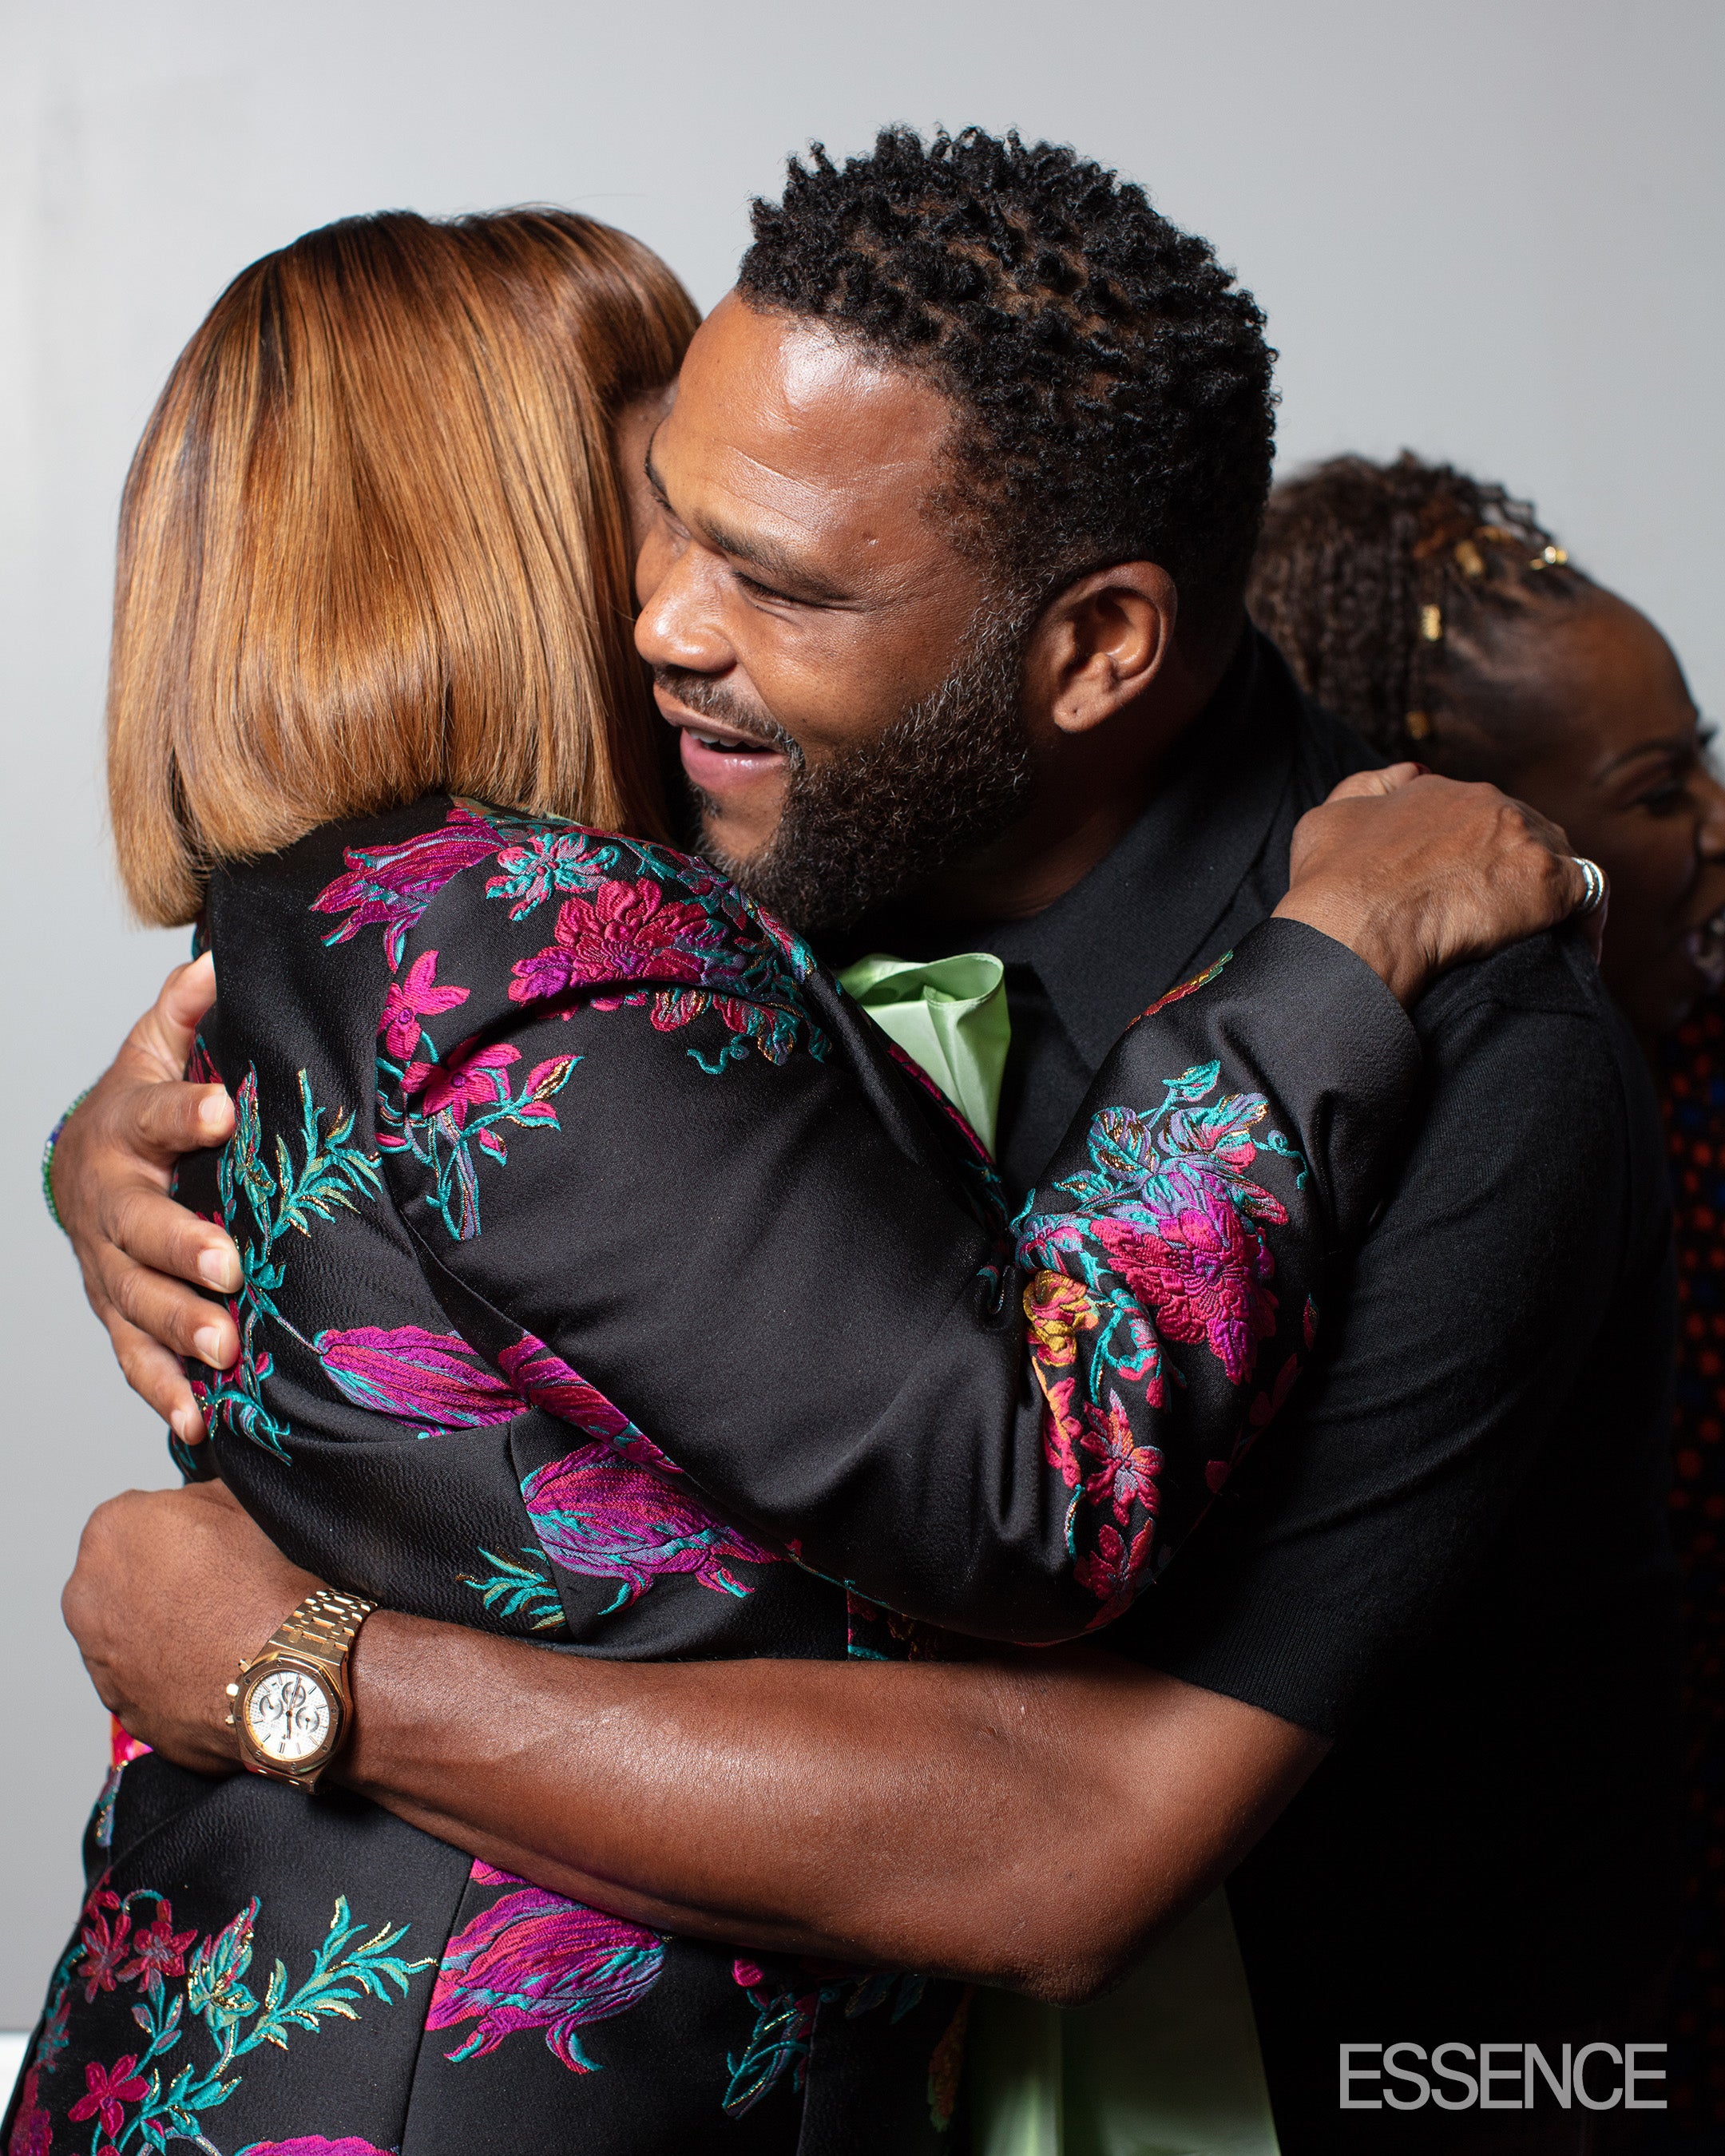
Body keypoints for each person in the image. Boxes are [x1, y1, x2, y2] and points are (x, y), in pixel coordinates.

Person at [41, 130, 1658, 2156]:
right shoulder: (728, 858)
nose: (656, 621)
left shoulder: (1468, 1056)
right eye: (655, 520)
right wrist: (130, 1145)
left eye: (769, 577)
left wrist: (293, 1666)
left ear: (1086, 650)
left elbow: (1067, 1846)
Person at [1250, 448, 1724, 2145]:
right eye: (1663, 788)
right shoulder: (1423, 1132)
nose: (1717, 835)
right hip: (1473, 2001)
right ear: (1469, 830)